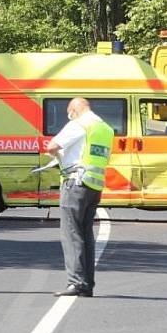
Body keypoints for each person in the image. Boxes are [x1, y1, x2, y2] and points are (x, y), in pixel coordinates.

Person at [45, 97, 114, 297]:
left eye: (70, 114)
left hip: (75, 183)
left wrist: (59, 158)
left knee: (71, 234)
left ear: (74, 110)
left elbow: (52, 146)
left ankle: (76, 282)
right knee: (85, 235)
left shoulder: (79, 124)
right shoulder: (105, 128)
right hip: (94, 186)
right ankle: (87, 284)